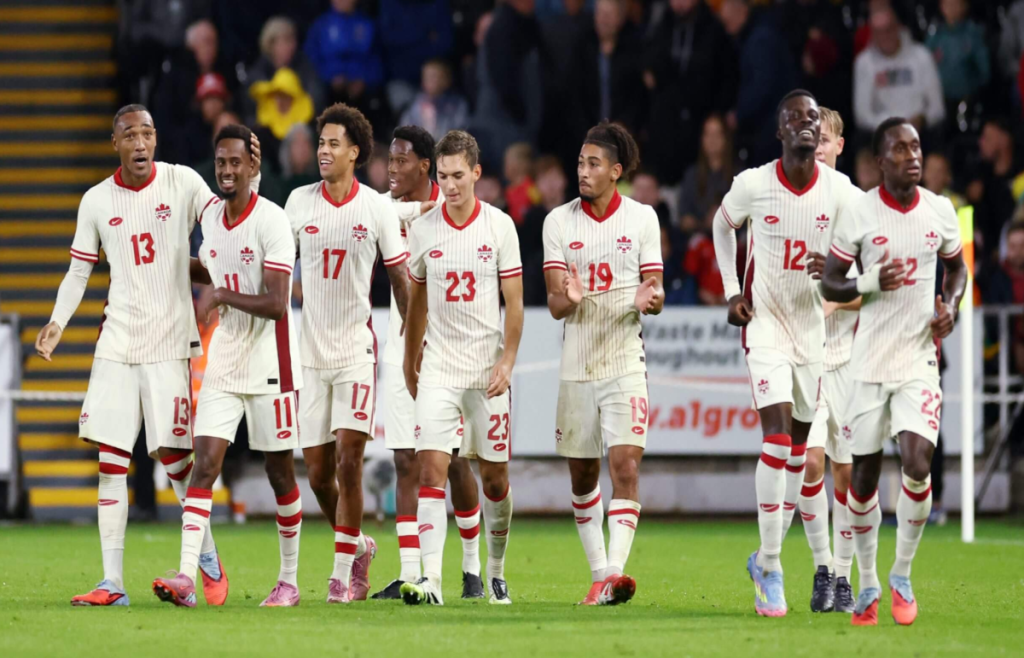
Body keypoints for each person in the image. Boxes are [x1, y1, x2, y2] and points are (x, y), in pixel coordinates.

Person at [35, 104, 260, 608]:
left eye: (147, 133)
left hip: (168, 344)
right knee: (111, 460)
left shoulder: (182, 183)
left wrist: (253, 191)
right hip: (117, 342)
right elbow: (79, 272)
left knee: (176, 463)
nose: (140, 142)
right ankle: (112, 584)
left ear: (156, 140)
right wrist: (57, 322)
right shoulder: (95, 200)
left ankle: (206, 558)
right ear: (114, 143)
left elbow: (227, 216)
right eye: (130, 135)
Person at [711, 90, 861, 617]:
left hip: (812, 334)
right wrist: (733, 290)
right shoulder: (754, 184)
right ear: (780, 131)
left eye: (813, 117)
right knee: (777, 439)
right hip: (767, 327)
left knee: (801, 455)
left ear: (823, 132)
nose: (806, 124)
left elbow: (868, 249)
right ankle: (772, 566)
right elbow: (721, 224)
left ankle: (784, 561)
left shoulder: (840, 190)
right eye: (795, 117)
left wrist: (843, 277)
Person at [821, 117, 968, 626]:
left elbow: (958, 268)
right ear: (880, 161)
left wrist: (949, 304)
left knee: (917, 461)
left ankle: (900, 573)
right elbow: (831, 285)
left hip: (917, 360)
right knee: (861, 480)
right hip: (866, 364)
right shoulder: (859, 213)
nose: (913, 155)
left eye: (917, 146)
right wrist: (872, 280)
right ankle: (866, 583)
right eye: (900, 149)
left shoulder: (941, 210)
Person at [153, 124, 302, 608]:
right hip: (227, 357)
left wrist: (218, 294)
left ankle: (289, 580)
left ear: (252, 166)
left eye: (237, 162)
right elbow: (210, 266)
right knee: (205, 465)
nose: (227, 170)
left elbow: (278, 304)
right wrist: (172, 264)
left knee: (280, 473)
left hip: (271, 359)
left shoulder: (273, 221)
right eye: (221, 163)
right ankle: (186, 578)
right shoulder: (212, 217)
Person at [284, 104, 409, 604]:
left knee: (349, 461)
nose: (323, 151)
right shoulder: (297, 203)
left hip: (357, 350)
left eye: (334, 144)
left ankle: (341, 576)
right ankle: (358, 546)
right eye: (320, 143)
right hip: (310, 356)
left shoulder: (376, 208)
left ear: (355, 153)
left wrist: (413, 337)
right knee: (317, 474)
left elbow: (400, 277)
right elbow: (274, 263)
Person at [542, 122, 664, 605]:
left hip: (624, 358)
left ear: (616, 171)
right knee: (582, 475)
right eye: (579, 162)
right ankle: (598, 573)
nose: (583, 171)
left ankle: (615, 570)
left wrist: (648, 298)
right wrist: (569, 299)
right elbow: (554, 303)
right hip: (577, 361)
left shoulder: (642, 219)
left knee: (625, 463)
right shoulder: (559, 222)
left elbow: (654, 290)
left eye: (593, 164)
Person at [401, 130, 524, 606]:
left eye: (458, 176)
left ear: (476, 173)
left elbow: (514, 304)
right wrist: (413, 359)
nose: (450, 186)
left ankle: (493, 570)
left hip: (486, 370)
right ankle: (431, 580)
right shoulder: (424, 229)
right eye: (443, 176)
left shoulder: (499, 228)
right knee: (431, 465)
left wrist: (508, 359)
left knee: (494, 479)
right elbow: (416, 302)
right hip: (439, 367)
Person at [372, 124, 487, 601]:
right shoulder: (386, 209)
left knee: (455, 464)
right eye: (389, 161)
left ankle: (472, 567)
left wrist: (423, 210)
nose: (391, 169)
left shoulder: (450, 209)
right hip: (404, 347)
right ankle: (410, 572)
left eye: (401, 161)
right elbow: (374, 209)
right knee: (405, 458)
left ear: (426, 167)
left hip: (450, 353)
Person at [778, 106, 863, 614]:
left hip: (849, 357)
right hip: (804, 354)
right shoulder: (790, 197)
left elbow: (874, 287)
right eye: (812, 138)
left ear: (838, 146)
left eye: (826, 138)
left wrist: (834, 297)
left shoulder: (854, 203)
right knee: (809, 461)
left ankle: (847, 574)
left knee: (848, 475)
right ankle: (824, 569)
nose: (819, 146)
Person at [642, 0, 737, 184]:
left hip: (699, 127)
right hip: (665, 129)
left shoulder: (713, 29)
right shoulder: (662, 24)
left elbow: (726, 78)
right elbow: (650, 65)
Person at [720, 0, 801, 168]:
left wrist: (739, 114)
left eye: (728, 22)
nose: (726, 29)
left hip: (772, 129)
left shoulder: (760, 40)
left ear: (740, 12)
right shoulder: (757, 34)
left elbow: (762, 86)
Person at [853, 8, 945, 138]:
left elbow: (937, 108)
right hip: (880, 135)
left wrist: (921, 120)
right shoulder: (864, 62)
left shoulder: (922, 56)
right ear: (872, 34)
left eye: (888, 29)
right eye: (879, 32)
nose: (885, 36)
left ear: (898, 27)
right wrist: (892, 126)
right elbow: (862, 115)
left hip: (920, 133)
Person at [245, 16, 325, 125]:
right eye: (287, 40)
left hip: (299, 126)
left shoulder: (304, 66)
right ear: (271, 43)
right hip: (267, 129)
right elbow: (251, 106)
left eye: (293, 40)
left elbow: (316, 99)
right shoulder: (258, 71)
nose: (292, 46)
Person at [925, 0, 990, 108]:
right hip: (940, 100)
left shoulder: (974, 34)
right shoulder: (935, 36)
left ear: (965, 6)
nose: (951, 9)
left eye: (956, 4)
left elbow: (984, 71)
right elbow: (925, 66)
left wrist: (973, 90)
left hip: (968, 100)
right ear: (941, 6)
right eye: (948, 4)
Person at [679, 114, 734, 231]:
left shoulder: (739, 175)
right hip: (699, 240)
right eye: (707, 134)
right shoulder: (692, 175)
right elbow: (684, 218)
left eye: (717, 134)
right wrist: (703, 223)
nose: (712, 140)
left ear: (726, 138)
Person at [398, 59, 470, 143]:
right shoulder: (415, 104)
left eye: (435, 76)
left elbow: (461, 129)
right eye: (427, 77)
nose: (430, 81)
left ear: (447, 80)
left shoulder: (457, 104)